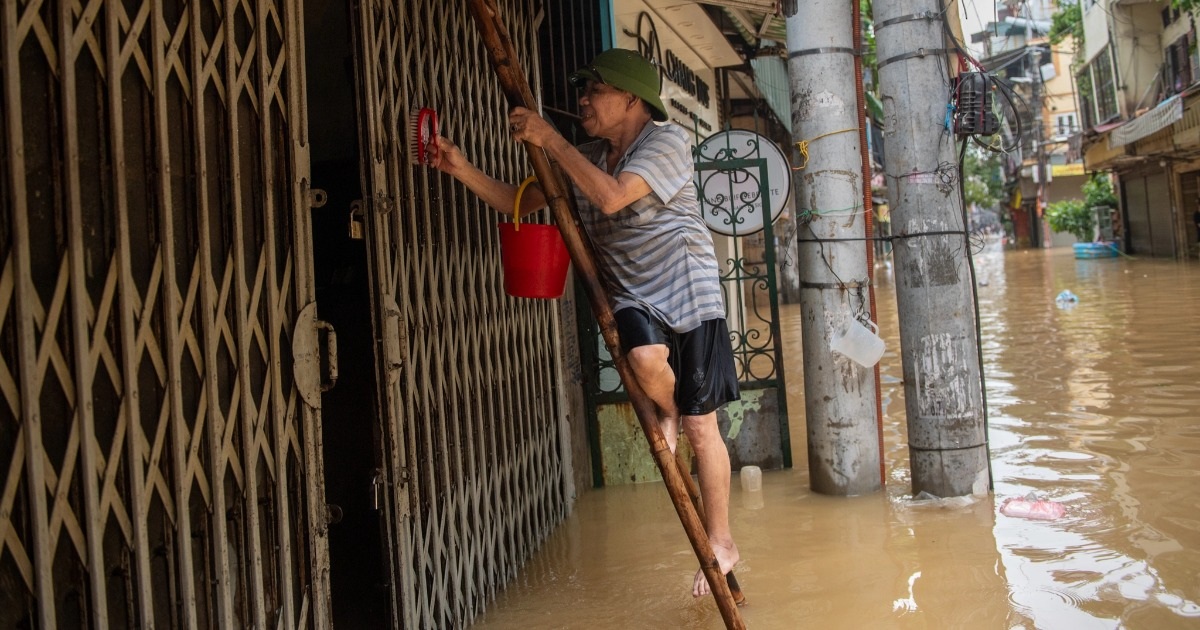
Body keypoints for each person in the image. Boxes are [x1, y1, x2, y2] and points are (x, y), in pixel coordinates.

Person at [428, 48, 740, 598]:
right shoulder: (592, 154)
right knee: (645, 361)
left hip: (691, 295)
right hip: (634, 297)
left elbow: (613, 197)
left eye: (594, 91)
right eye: (585, 91)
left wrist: (550, 140)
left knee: (701, 429)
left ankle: (723, 541)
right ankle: (670, 407)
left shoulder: (666, 143)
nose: (584, 100)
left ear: (630, 99)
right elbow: (519, 200)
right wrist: (458, 167)